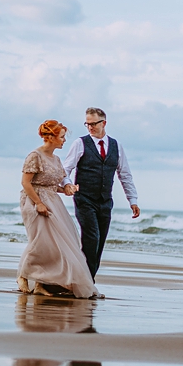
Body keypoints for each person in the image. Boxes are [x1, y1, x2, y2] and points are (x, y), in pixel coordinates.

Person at [17, 120, 101, 300]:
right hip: (33, 200)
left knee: (51, 244)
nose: (64, 140)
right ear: (51, 137)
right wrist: (38, 203)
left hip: (53, 201)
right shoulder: (35, 156)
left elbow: (52, 184)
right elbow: (26, 183)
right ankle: (23, 275)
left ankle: (40, 283)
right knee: (40, 241)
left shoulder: (56, 159)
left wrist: (67, 189)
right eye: (62, 137)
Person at [60, 107, 140, 280]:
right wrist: (67, 184)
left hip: (105, 202)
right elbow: (65, 170)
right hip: (84, 199)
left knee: (100, 242)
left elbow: (124, 174)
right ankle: (85, 281)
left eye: (93, 124)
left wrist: (132, 200)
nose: (90, 127)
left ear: (104, 123)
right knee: (92, 239)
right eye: (87, 124)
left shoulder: (116, 146)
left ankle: (86, 280)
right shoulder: (80, 144)